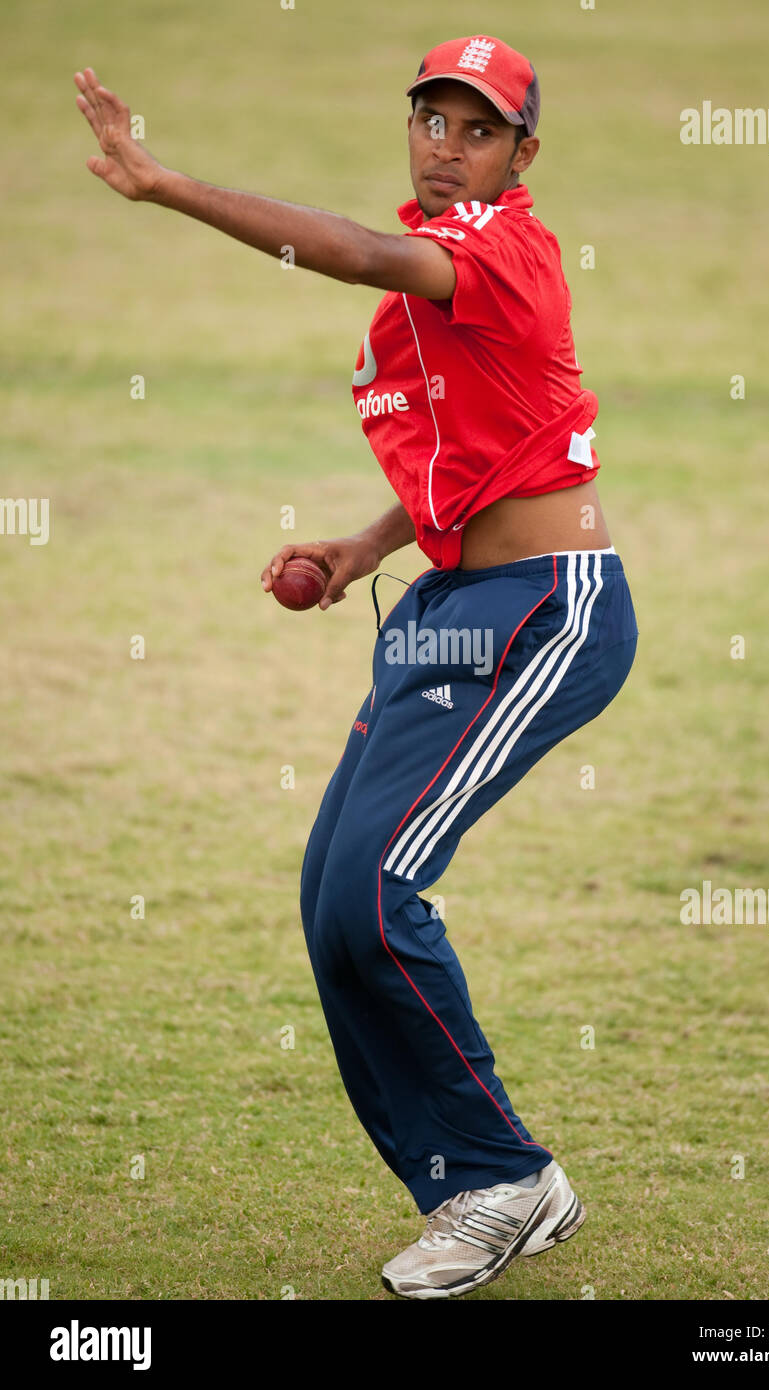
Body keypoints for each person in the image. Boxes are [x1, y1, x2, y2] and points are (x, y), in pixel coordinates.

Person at [75, 33, 638, 1300]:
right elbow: (494, 451)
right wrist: (358, 546)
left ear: (521, 154)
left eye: (477, 128)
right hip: (451, 599)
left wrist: (169, 188)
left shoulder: (500, 250)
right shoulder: (426, 297)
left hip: (547, 610)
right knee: (335, 901)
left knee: (377, 892)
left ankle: (503, 1177)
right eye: (430, 121)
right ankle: (475, 1182)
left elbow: (354, 246)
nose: (446, 146)